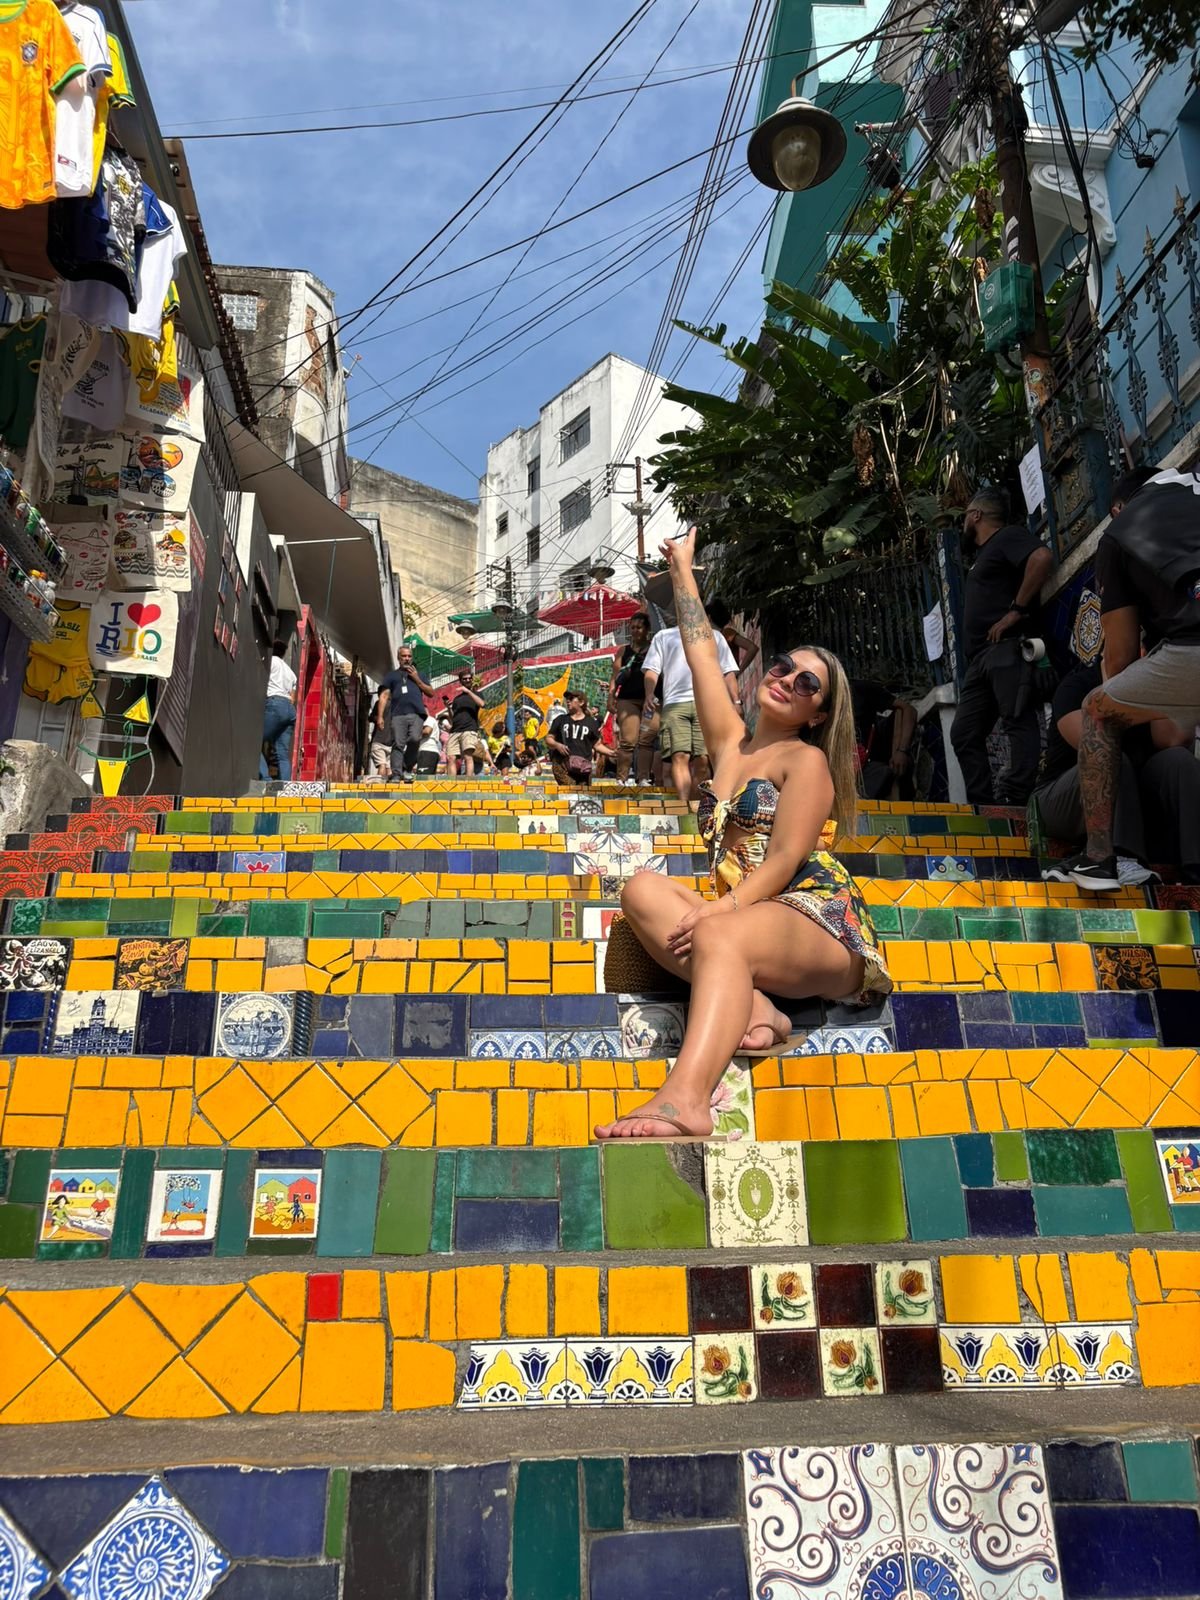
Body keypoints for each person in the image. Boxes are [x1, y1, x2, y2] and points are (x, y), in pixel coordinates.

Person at [595, 528, 892, 1141]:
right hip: (747, 918)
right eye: (784, 666)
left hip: (815, 918)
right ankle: (757, 1008)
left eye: (807, 684)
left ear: (819, 714)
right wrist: (681, 570)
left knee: (718, 931)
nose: (787, 679)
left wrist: (722, 911)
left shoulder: (804, 762)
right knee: (643, 890)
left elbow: (785, 860)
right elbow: (702, 654)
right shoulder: (731, 745)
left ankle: (687, 1099)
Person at [1072, 466, 1200, 889]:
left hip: (1192, 643)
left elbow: (1121, 654)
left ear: (1117, 508)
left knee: (1098, 711)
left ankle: (1099, 859)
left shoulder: (1122, 531)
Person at [1033, 661, 1198, 885]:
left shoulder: (1154, 688)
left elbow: (1173, 739)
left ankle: (1194, 866)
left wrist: (1159, 694)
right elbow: (1092, 750)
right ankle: (1119, 856)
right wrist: (1114, 688)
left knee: (1179, 760)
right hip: (1062, 800)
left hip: (1133, 804)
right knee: (1108, 756)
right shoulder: (1077, 685)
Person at [950, 488, 1054, 804]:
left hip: (1006, 649)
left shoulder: (1007, 537)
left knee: (1017, 720)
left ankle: (1016, 798)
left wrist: (1016, 611)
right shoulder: (983, 555)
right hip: (981, 658)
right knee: (964, 733)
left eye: (966, 515)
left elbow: (1042, 556)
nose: (964, 523)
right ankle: (983, 806)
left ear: (976, 515)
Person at [643, 612, 739, 806]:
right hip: (674, 703)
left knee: (703, 760)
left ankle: (697, 809)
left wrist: (736, 702)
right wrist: (649, 694)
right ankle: (683, 806)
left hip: (707, 704)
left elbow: (728, 671)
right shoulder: (663, 636)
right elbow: (652, 669)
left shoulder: (714, 636)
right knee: (679, 755)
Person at [609, 611, 658, 785]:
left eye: (639, 627)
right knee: (628, 741)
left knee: (646, 740)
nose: (635, 631)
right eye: (633, 628)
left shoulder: (655, 648)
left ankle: (643, 778)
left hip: (651, 700)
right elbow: (614, 676)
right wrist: (611, 697)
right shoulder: (623, 651)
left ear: (647, 629)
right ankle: (621, 779)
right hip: (627, 699)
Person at [852, 680, 918, 801]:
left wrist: (902, 751)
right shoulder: (822, 700)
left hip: (867, 766)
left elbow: (908, 710)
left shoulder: (861, 689)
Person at [376, 645, 433, 783]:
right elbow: (384, 696)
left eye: (409, 656)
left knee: (415, 739)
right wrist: (380, 716)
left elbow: (431, 693)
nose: (407, 659)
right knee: (398, 744)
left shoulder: (420, 674)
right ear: (398, 658)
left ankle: (406, 769)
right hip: (398, 715)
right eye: (404, 656)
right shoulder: (391, 676)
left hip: (417, 714)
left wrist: (416, 678)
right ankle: (396, 774)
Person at [259, 640, 297, 782]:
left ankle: (266, 780)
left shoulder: (271, 662)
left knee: (256, 742)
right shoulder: (291, 673)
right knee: (282, 752)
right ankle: (286, 786)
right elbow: (293, 698)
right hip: (290, 709)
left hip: (275, 704)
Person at [547, 689, 602, 785]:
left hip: (583, 768)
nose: (568, 701)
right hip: (563, 766)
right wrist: (557, 745)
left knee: (583, 796)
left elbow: (597, 745)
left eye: (571, 698)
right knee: (570, 790)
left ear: (581, 702)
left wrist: (612, 752)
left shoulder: (591, 723)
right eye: (567, 699)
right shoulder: (560, 719)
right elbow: (548, 738)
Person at [445, 668, 487, 776]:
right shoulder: (457, 699)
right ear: (461, 681)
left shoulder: (477, 694)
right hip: (455, 731)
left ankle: (468, 783)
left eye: (469, 678)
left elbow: (482, 704)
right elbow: (453, 717)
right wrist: (449, 708)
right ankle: (451, 783)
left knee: (468, 756)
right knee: (451, 757)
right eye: (465, 679)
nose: (468, 680)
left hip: (469, 729)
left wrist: (468, 691)